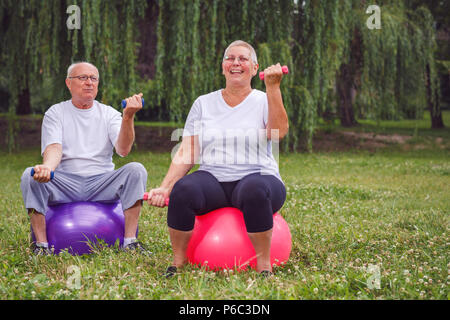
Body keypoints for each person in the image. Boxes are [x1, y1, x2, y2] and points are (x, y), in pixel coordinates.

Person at [146, 40, 289, 277]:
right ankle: (178, 262)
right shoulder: (203, 103)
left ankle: (264, 266)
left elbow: (279, 132)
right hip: (213, 178)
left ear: (255, 68)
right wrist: (165, 187)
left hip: (258, 176)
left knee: (255, 189)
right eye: (230, 58)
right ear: (223, 66)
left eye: (243, 59)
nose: (236, 63)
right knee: (184, 190)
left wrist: (273, 88)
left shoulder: (264, 100)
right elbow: (188, 151)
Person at [21, 62, 150, 256]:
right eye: (82, 78)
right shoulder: (56, 112)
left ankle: (130, 242)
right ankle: (41, 245)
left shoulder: (109, 114)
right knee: (29, 175)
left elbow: (123, 150)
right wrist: (47, 168)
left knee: (136, 169)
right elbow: (54, 147)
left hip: (101, 183)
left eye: (93, 78)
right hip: (66, 183)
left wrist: (128, 117)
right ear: (68, 83)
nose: (89, 82)